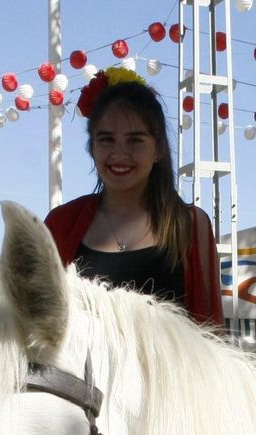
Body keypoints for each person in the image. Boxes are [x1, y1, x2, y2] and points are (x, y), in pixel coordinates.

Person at [44, 67, 224, 328]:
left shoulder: (191, 225)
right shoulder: (61, 223)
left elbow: (210, 331)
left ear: (158, 149)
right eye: (106, 140)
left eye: (135, 141)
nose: (119, 153)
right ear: (91, 147)